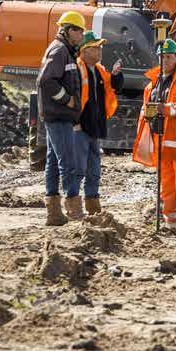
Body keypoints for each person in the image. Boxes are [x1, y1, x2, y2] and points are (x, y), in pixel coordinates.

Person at [133, 38, 176, 237]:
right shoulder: (153, 84)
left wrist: (166, 109)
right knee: (167, 184)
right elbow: (145, 109)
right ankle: (171, 222)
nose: (165, 60)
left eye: (169, 57)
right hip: (162, 142)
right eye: (162, 57)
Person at [38, 10, 85, 226]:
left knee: (54, 163)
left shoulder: (65, 51)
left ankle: (54, 214)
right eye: (79, 31)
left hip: (58, 115)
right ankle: (74, 211)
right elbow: (47, 81)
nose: (81, 36)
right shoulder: (59, 51)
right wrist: (67, 100)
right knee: (67, 161)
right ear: (68, 30)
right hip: (59, 115)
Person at [74, 31, 123, 214]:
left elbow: (113, 87)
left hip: (94, 127)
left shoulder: (99, 70)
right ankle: (73, 204)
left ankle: (92, 205)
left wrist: (117, 75)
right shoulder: (78, 69)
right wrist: (75, 121)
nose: (100, 50)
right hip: (80, 126)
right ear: (85, 51)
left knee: (94, 169)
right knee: (78, 168)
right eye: (96, 47)